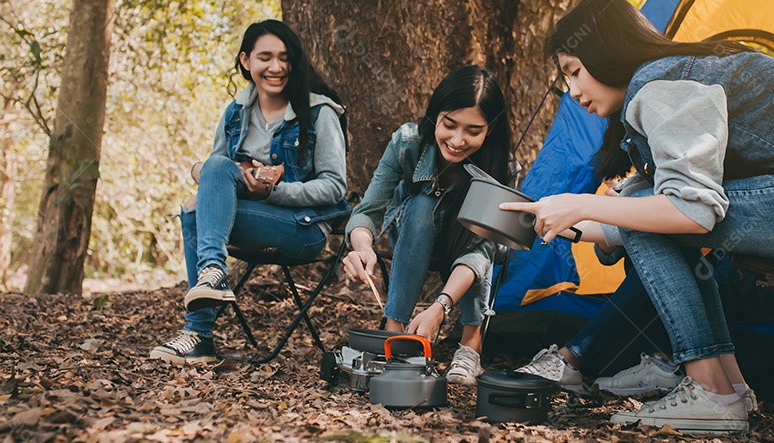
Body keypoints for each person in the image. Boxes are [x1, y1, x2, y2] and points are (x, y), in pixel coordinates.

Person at [505, 0, 774, 433]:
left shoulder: (658, 85)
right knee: (645, 214)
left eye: (575, 72)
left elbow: (688, 212)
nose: (573, 91)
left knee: (651, 214)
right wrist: (564, 225)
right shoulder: (666, 86)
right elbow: (645, 215)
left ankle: (709, 390)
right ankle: (729, 387)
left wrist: (579, 202)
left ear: (605, 50)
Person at [150, 20, 349, 366]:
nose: (275, 67)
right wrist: (202, 170)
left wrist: (273, 191)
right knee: (206, 183)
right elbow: (216, 173)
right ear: (246, 61)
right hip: (253, 221)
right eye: (265, 57)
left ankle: (199, 330)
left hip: (303, 228)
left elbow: (335, 187)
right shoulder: (236, 112)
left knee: (196, 209)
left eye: (284, 58)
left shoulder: (319, 113)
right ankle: (212, 276)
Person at [342, 66, 514, 385]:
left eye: (473, 131)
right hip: (412, 231)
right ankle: (394, 333)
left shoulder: (502, 166)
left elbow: (481, 251)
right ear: (436, 116)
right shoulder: (407, 142)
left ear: (490, 129)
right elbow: (370, 210)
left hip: (467, 246)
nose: (457, 140)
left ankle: (470, 342)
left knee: (480, 235)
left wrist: (440, 306)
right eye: (449, 125)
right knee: (423, 204)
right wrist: (362, 246)